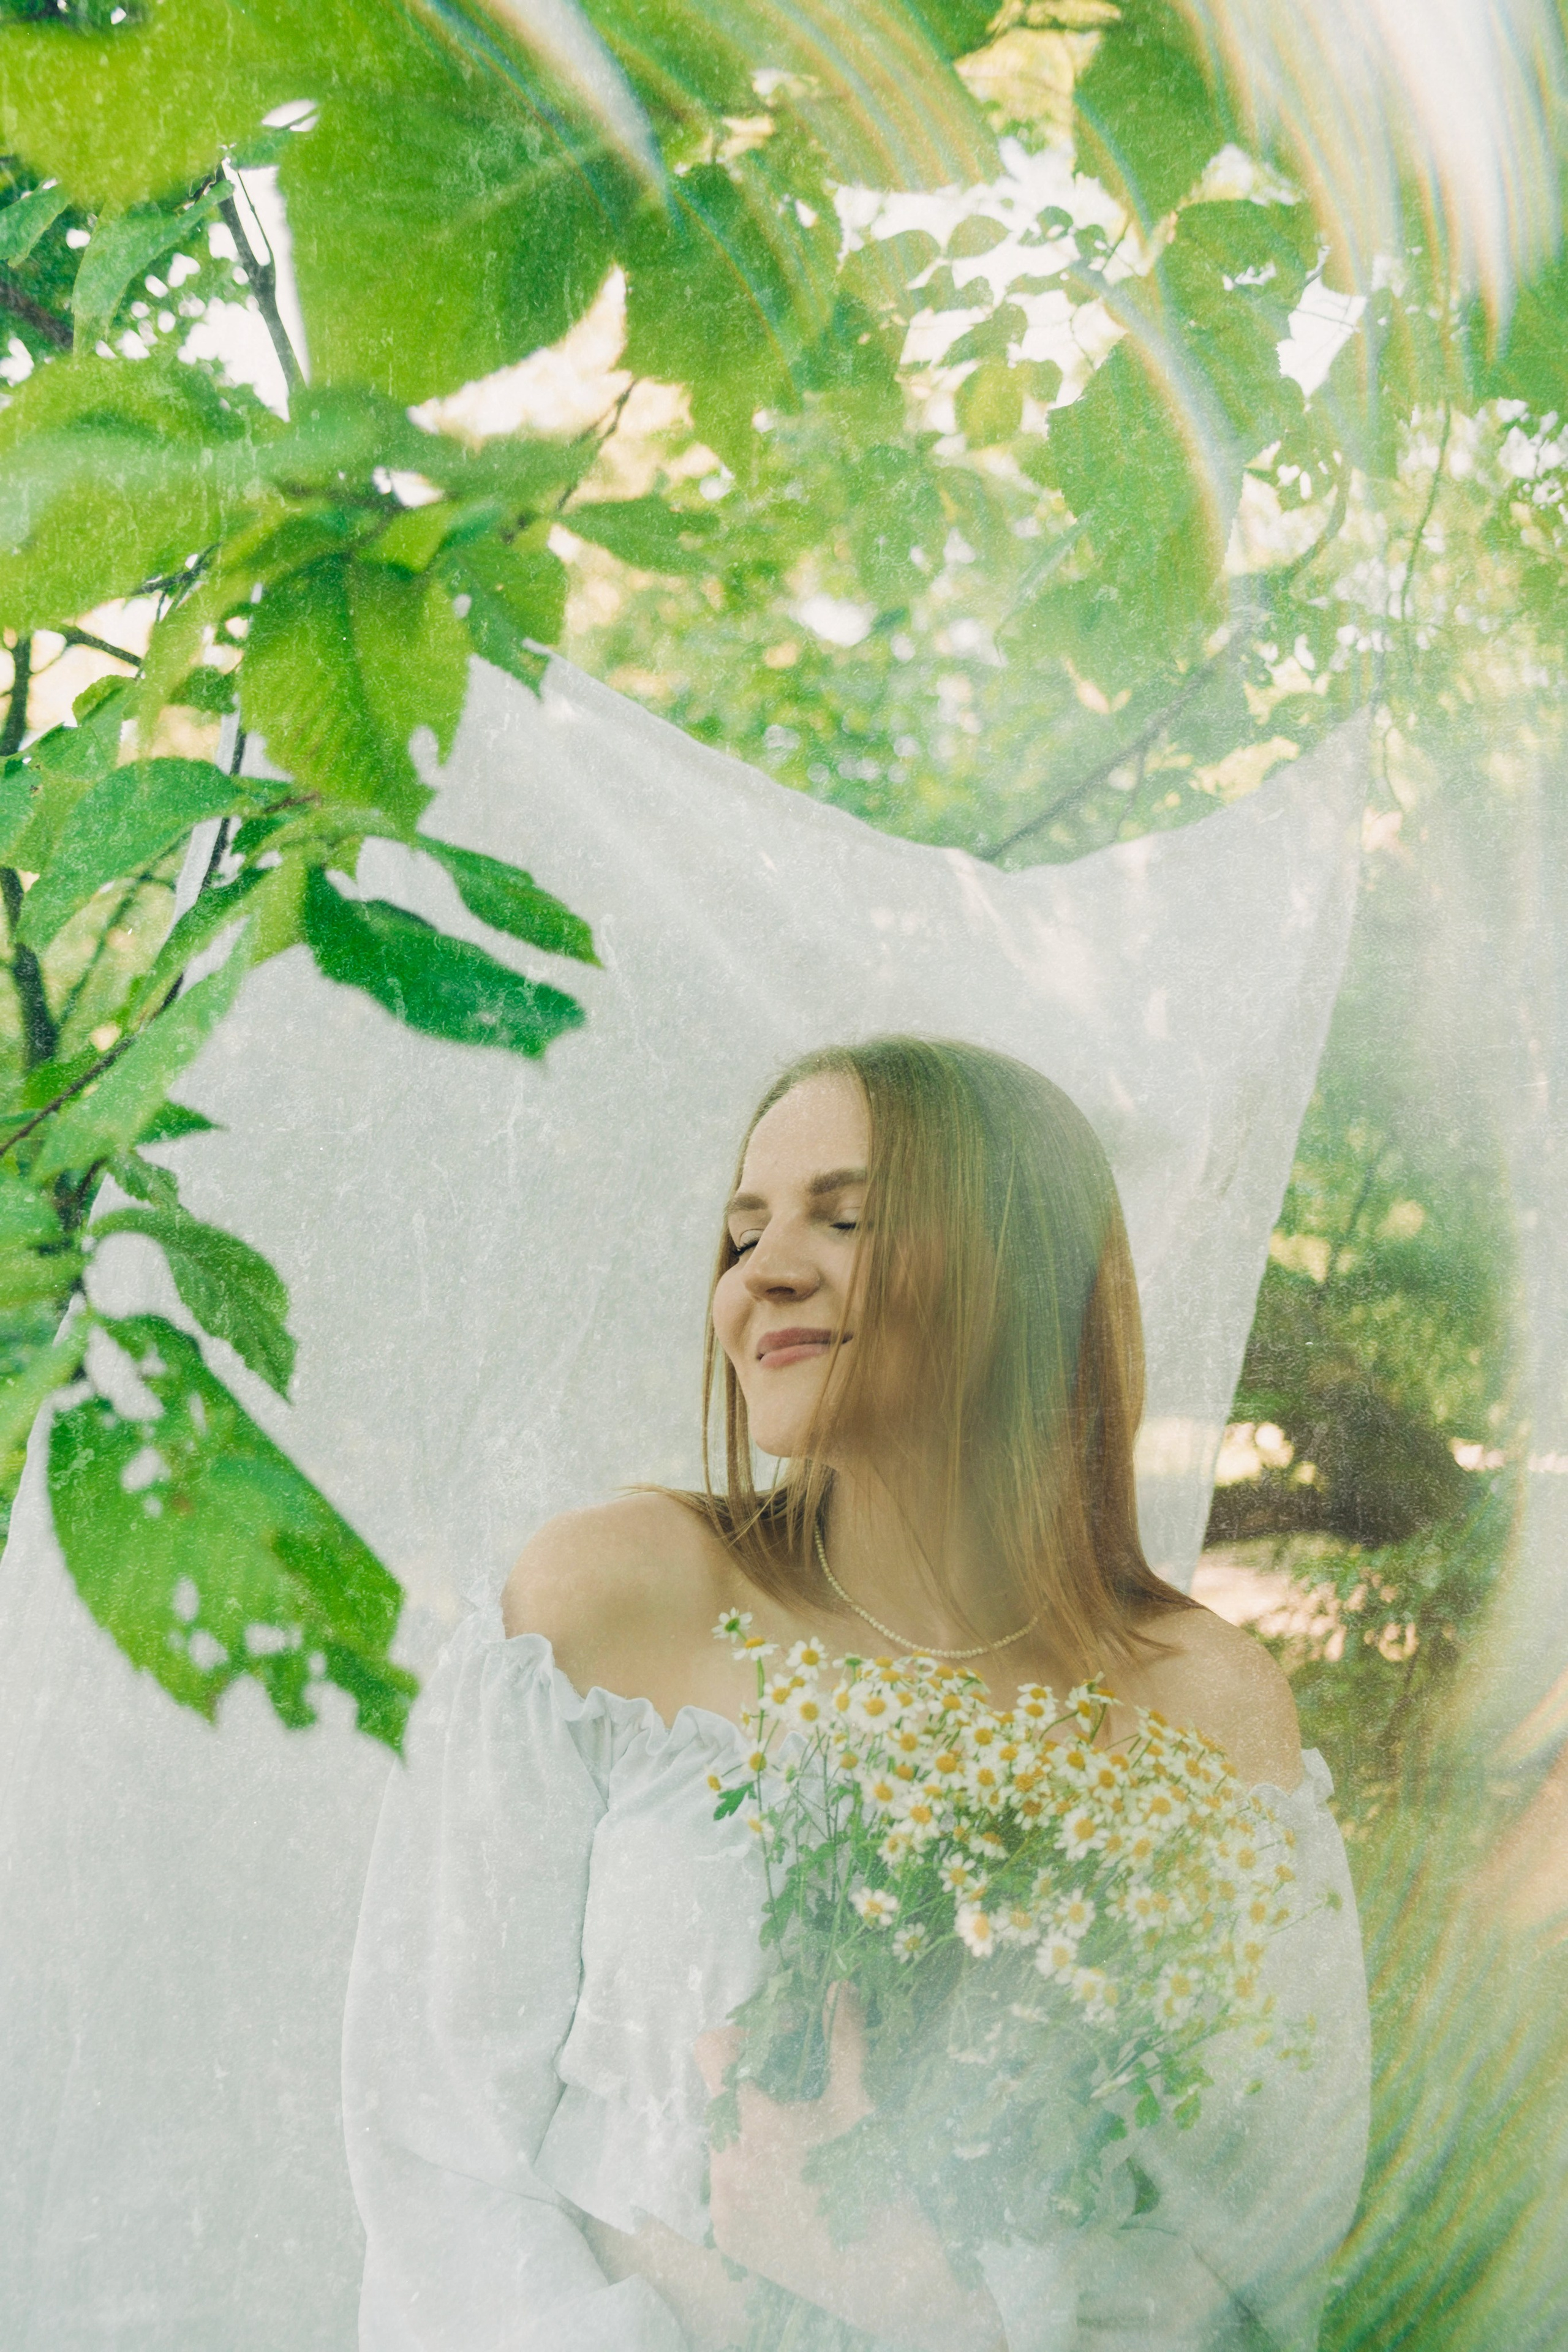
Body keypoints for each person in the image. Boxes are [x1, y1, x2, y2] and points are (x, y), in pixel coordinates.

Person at [342, 1038, 1370, 2352]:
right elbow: (438, 2151)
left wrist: (908, 2297)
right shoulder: (607, 1606)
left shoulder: (1199, 1709)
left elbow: (1248, 2263)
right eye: (741, 1231)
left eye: (845, 1217)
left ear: (1019, 1266)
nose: (760, 1272)